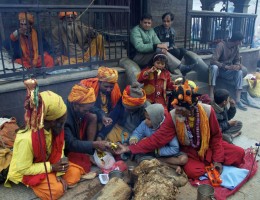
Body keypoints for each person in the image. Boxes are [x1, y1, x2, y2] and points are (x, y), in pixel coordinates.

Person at [113, 80, 245, 180]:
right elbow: (157, 139)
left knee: (239, 153)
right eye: (176, 109)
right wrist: (128, 148)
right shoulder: (173, 115)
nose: (178, 112)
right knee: (194, 172)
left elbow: (216, 137)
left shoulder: (207, 111)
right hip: (190, 151)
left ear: (192, 107)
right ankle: (202, 163)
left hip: (210, 146)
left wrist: (218, 160)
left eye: (181, 110)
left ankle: (212, 162)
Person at [4, 79, 88, 199]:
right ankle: (36, 184)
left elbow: (59, 150)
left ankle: (52, 179)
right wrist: (52, 168)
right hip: (28, 171)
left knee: (74, 174)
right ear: (52, 121)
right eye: (61, 121)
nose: (63, 125)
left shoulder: (55, 129)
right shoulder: (26, 139)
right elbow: (23, 168)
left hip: (49, 165)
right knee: (56, 191)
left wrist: (58, 172)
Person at [64, 84, 111, 173]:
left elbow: (94, 109)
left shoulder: (80, 104)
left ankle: (88, 152)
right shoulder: (65, 118)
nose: (87, 112)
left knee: (93, 116)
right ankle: (88, 147)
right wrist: (94, 144)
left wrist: (103, 116)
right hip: (67, 147)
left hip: (78, 132)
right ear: (76, 105)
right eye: (85, 110)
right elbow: (71, 143)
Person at [129, 103, 188, 173]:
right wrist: (134, 138)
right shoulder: (144, 124)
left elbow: (174, 148)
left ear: (156, 119)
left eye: (149, 119)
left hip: (165, 154)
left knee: (183, 159)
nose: (146, 121)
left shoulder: (167, 128)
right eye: (145, 118)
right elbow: (138, 132)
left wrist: (158, 151)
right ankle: (171, 166)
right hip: (149, 153)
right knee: (143, 161)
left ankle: (161, 161)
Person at [209, 32, 248, 111]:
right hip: (219, 70)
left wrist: (236, 66)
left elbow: (237, 60)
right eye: (240, 41)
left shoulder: (236, 47)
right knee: (214, 67)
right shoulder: (221, 45)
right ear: (236, 41)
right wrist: (226, 66)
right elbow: (213, 60)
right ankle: (211, 95)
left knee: (239, 72)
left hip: (227, 71)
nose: (241, 43)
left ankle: (237, 100)